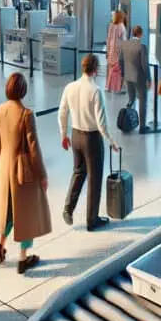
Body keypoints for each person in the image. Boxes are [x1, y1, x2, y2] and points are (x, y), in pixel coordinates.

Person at [0, 73, 51, 274]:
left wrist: (1, 165)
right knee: (26, 213)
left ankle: (1, 244)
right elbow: (33, 147)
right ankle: (23, 259)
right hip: (22, 169)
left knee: (8, 210)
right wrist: (42, 174)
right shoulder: (26, 114)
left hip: (5, 167)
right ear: (23, 90)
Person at [58, 54, 119, 231]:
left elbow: (62, 112)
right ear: (96, 69)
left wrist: (64, 134)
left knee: (78, 172)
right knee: (94, 178)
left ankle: (68, 208)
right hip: (92, 139)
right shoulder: (95, 91)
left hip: (75, 135)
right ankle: (92, 220)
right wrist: (112, 141)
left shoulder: (70, 87)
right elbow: (101, 123)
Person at [122, 25, 154, 133]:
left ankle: (128, 122)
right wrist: (149, 78)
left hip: (128, 76)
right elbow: (145, 65)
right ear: (140, 34)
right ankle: (142, 126)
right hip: (139, 77)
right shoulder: (142, 46)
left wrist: (123, 74)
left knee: (131, 99)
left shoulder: (125, 44)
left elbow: (120, 60)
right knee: (142, 100)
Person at [105, 11, 127, 93]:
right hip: (119, 51)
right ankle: (119, 88)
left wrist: (107, 51)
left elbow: (108, 39)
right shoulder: (121, 27)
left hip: (111, 50)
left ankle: (109, 87)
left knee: (111, 69)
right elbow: (124, 40)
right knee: (120, 70)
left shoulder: (111, 26)